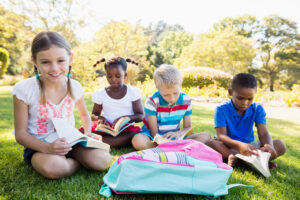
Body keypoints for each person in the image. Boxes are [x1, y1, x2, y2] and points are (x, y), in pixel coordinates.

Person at [12, 32, 112, 179]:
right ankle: (77, 162)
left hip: (70, 141)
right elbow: (21, 135)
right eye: (45, 62)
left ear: (70, 59)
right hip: (40, 147)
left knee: (102, 161)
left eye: (60, 60)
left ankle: (78, 159)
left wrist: (88, 133)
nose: (54, 68)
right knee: (54, 168)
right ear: (34, 61)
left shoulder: (74, 87)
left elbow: (84, 114)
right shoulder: (24, 90)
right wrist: (48, 148)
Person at [206, 73, 286, 168]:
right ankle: (254, 162)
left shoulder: (257, 109)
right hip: (229, 146)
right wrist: (240, 146)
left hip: (250, 147)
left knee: (280, 145)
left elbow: (263, 134)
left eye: (250, 99)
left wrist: (269, 146)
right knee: (210, 143)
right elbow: (221, 136)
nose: (245, 102)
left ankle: (242, 160)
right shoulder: (221, 109)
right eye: (240, 98)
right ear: (230, 92)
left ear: (255, 93)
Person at [131, 64, 211, 150]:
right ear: (158, 89)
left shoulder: (186, 100)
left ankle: (167, 148)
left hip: (175, 136)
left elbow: (187, 127)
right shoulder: (152, 102)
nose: (172, 98)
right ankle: (176, 149)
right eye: (166, 95)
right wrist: (161, 140)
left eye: (176, 93)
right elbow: (154, 133)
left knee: (206, 136)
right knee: (137, 140)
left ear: (180, 86)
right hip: (154, 138)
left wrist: (179, 133)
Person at [88, 56, 143, 148]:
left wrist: (126, 118)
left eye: (118, 76)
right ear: (106, 76)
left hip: (126, 129)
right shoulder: (100, 94)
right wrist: (100, 118)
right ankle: (106, 142)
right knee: (84, 130)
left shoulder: (132, 92)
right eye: (109, 76)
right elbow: (94, 115)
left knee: (133, 135)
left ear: (125, 75)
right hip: (106, 129)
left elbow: (140, 116)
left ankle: (98, 142)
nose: (113, 79)